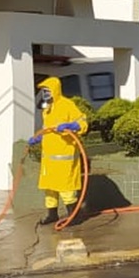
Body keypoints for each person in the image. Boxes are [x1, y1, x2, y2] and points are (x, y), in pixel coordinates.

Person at [30, 76, 88, 225]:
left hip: (64, 156)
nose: (45, 93)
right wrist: (39, 137)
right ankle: (52, 214)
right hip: (49, 158)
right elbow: (47, 129)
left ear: (55, 90)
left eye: (47, 90)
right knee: (49, 188)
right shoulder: (47, 109)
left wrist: (73, 126)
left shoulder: (67, 105)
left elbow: (83, 122)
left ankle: (74, 215)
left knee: (66, 188)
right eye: (43, 91)